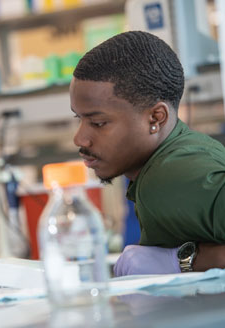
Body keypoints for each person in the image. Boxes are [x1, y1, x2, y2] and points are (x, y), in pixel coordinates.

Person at [69, 30, 225, 276]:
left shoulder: (173, 176)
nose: (80, 138)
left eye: (98, 123)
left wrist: (187, 261)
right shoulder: (178, 156)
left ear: (155, 118)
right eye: (79, 118)